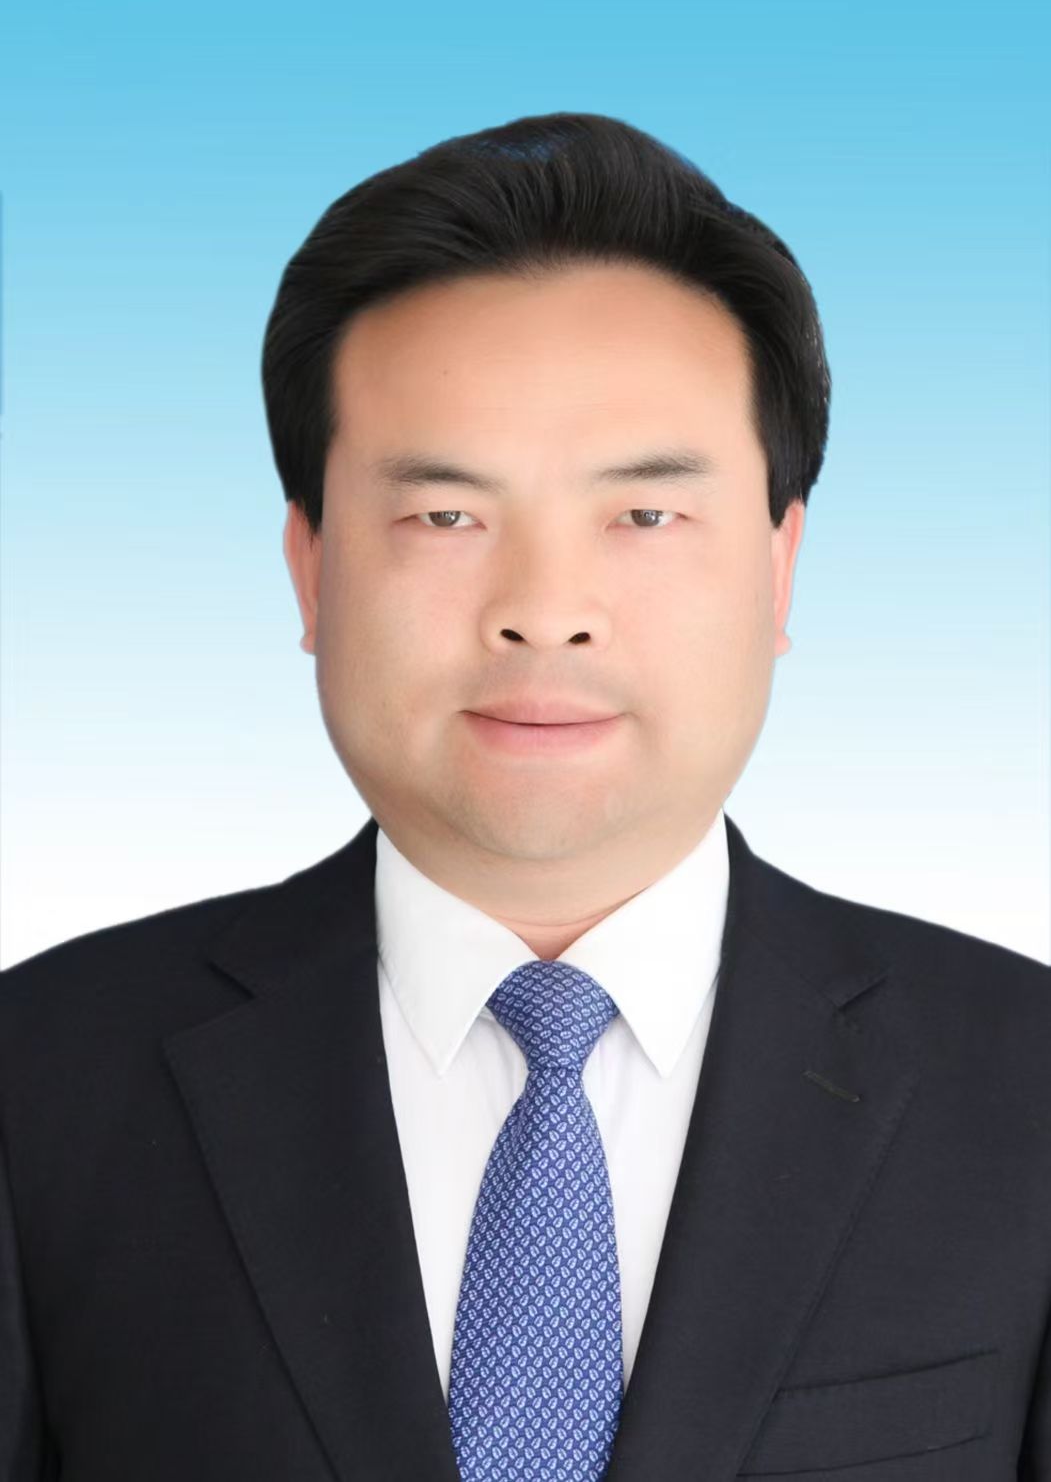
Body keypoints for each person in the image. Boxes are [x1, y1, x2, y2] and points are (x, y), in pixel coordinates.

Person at [1, 111, 1048, 1482]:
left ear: (779, 567)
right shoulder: (40, 1080)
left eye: (645, 515)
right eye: (447, 516)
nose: (545, 611)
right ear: (310, 570)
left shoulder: (1027, 1086)